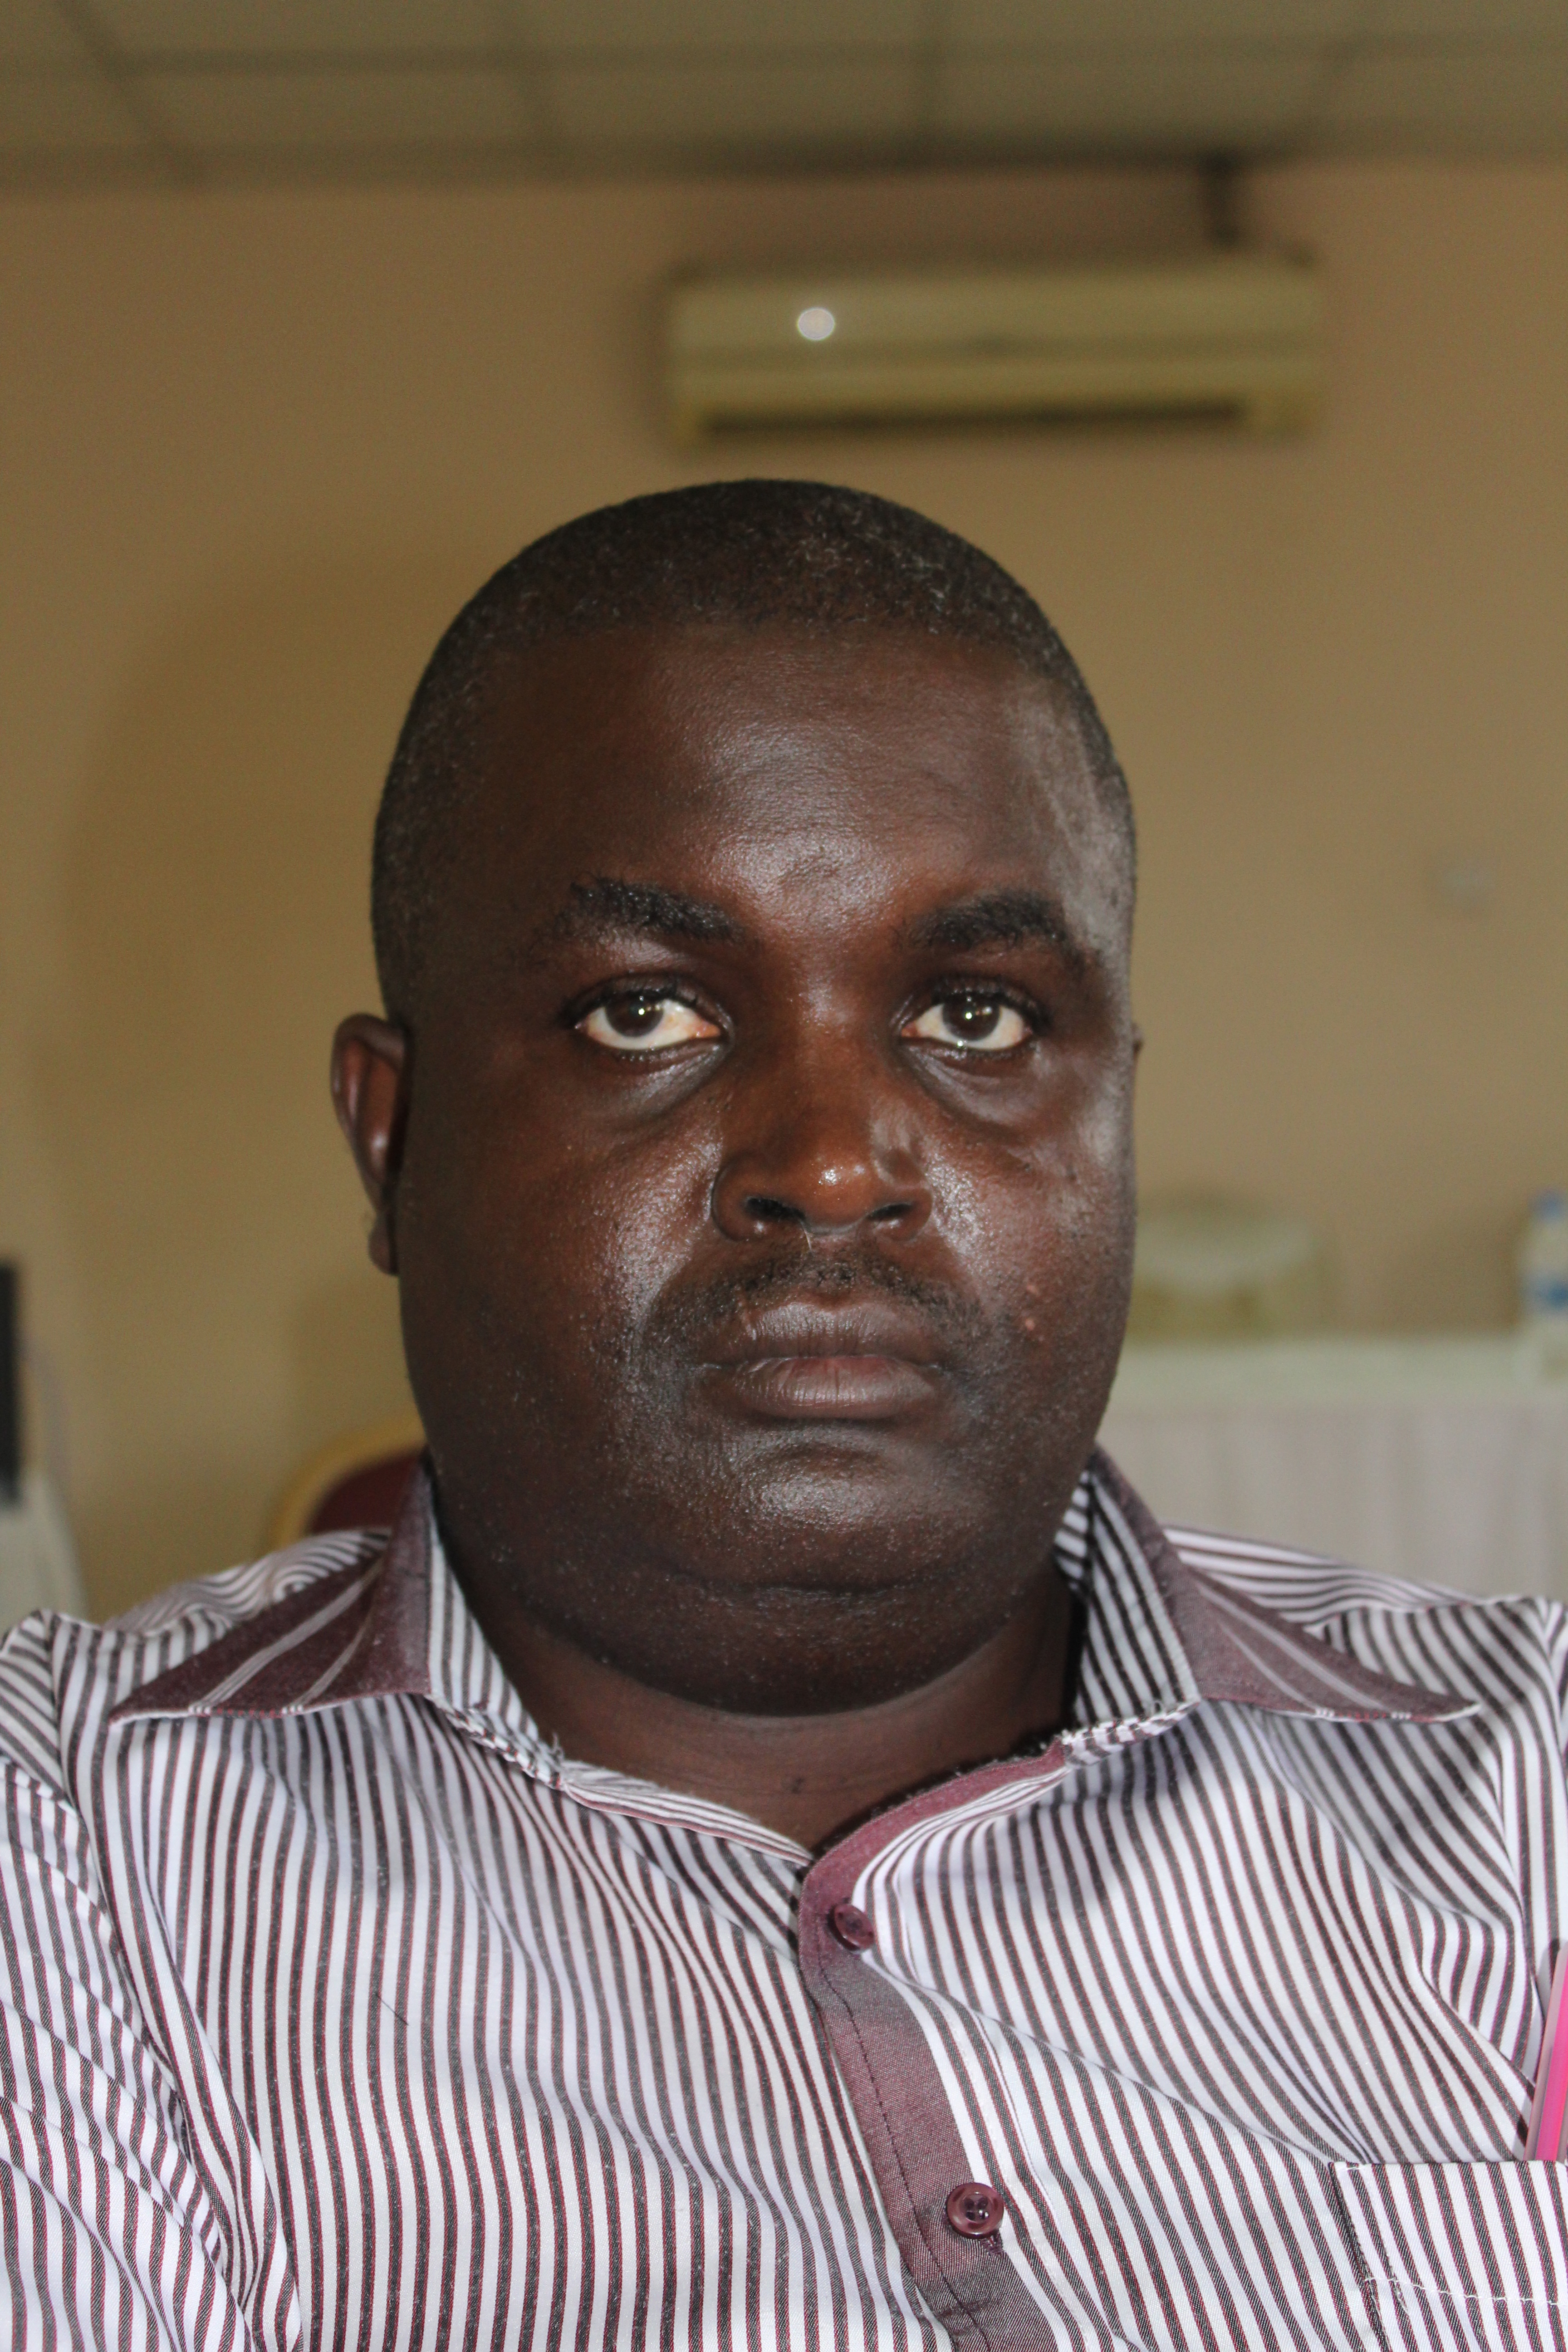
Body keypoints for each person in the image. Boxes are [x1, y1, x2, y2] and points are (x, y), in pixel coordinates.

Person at [2, 481, 1565, 2352]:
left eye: (977, 1019)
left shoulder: (1525, 1785)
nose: (833, 1165)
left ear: (1114, 1113)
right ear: (393, 1140)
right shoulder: (65, 1853)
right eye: (645, 1016)